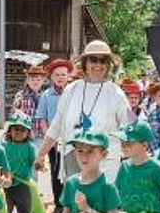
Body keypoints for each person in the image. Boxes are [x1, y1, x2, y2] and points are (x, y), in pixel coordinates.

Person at [36, 40, 131, 190]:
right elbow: (56, 125)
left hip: (104, 163)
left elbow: (131, 127)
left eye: (103, 60)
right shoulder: (71, 89)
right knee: (75, 207)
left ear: (109, 65)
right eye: (93, 59)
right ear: (85, 63)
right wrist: (41, 154)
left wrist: (137, 158)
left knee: (100, 208)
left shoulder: (116, 93)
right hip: (74, 158)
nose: (98, 65)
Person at [1, 112, 51, 213]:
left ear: (28, 132)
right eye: (16, 129)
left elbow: (36, 162)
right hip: (5, 187)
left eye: (23, 130)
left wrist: (39, 165)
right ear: (9, 130)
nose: (18, 133)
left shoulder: (29, 147)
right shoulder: (3, 146)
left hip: (22, 186)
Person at [34, 59, 74, 213]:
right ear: (51, 77)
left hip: (71, 140)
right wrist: (49, 137)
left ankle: (71, 205)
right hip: (53, 140)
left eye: (63, 74)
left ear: (68, 76)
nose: (60, 77)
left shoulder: (73, 93)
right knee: (56, 173)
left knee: (72, 172)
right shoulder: (46, 95)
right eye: (57, 75)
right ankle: (58, 206)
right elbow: (41, 118)